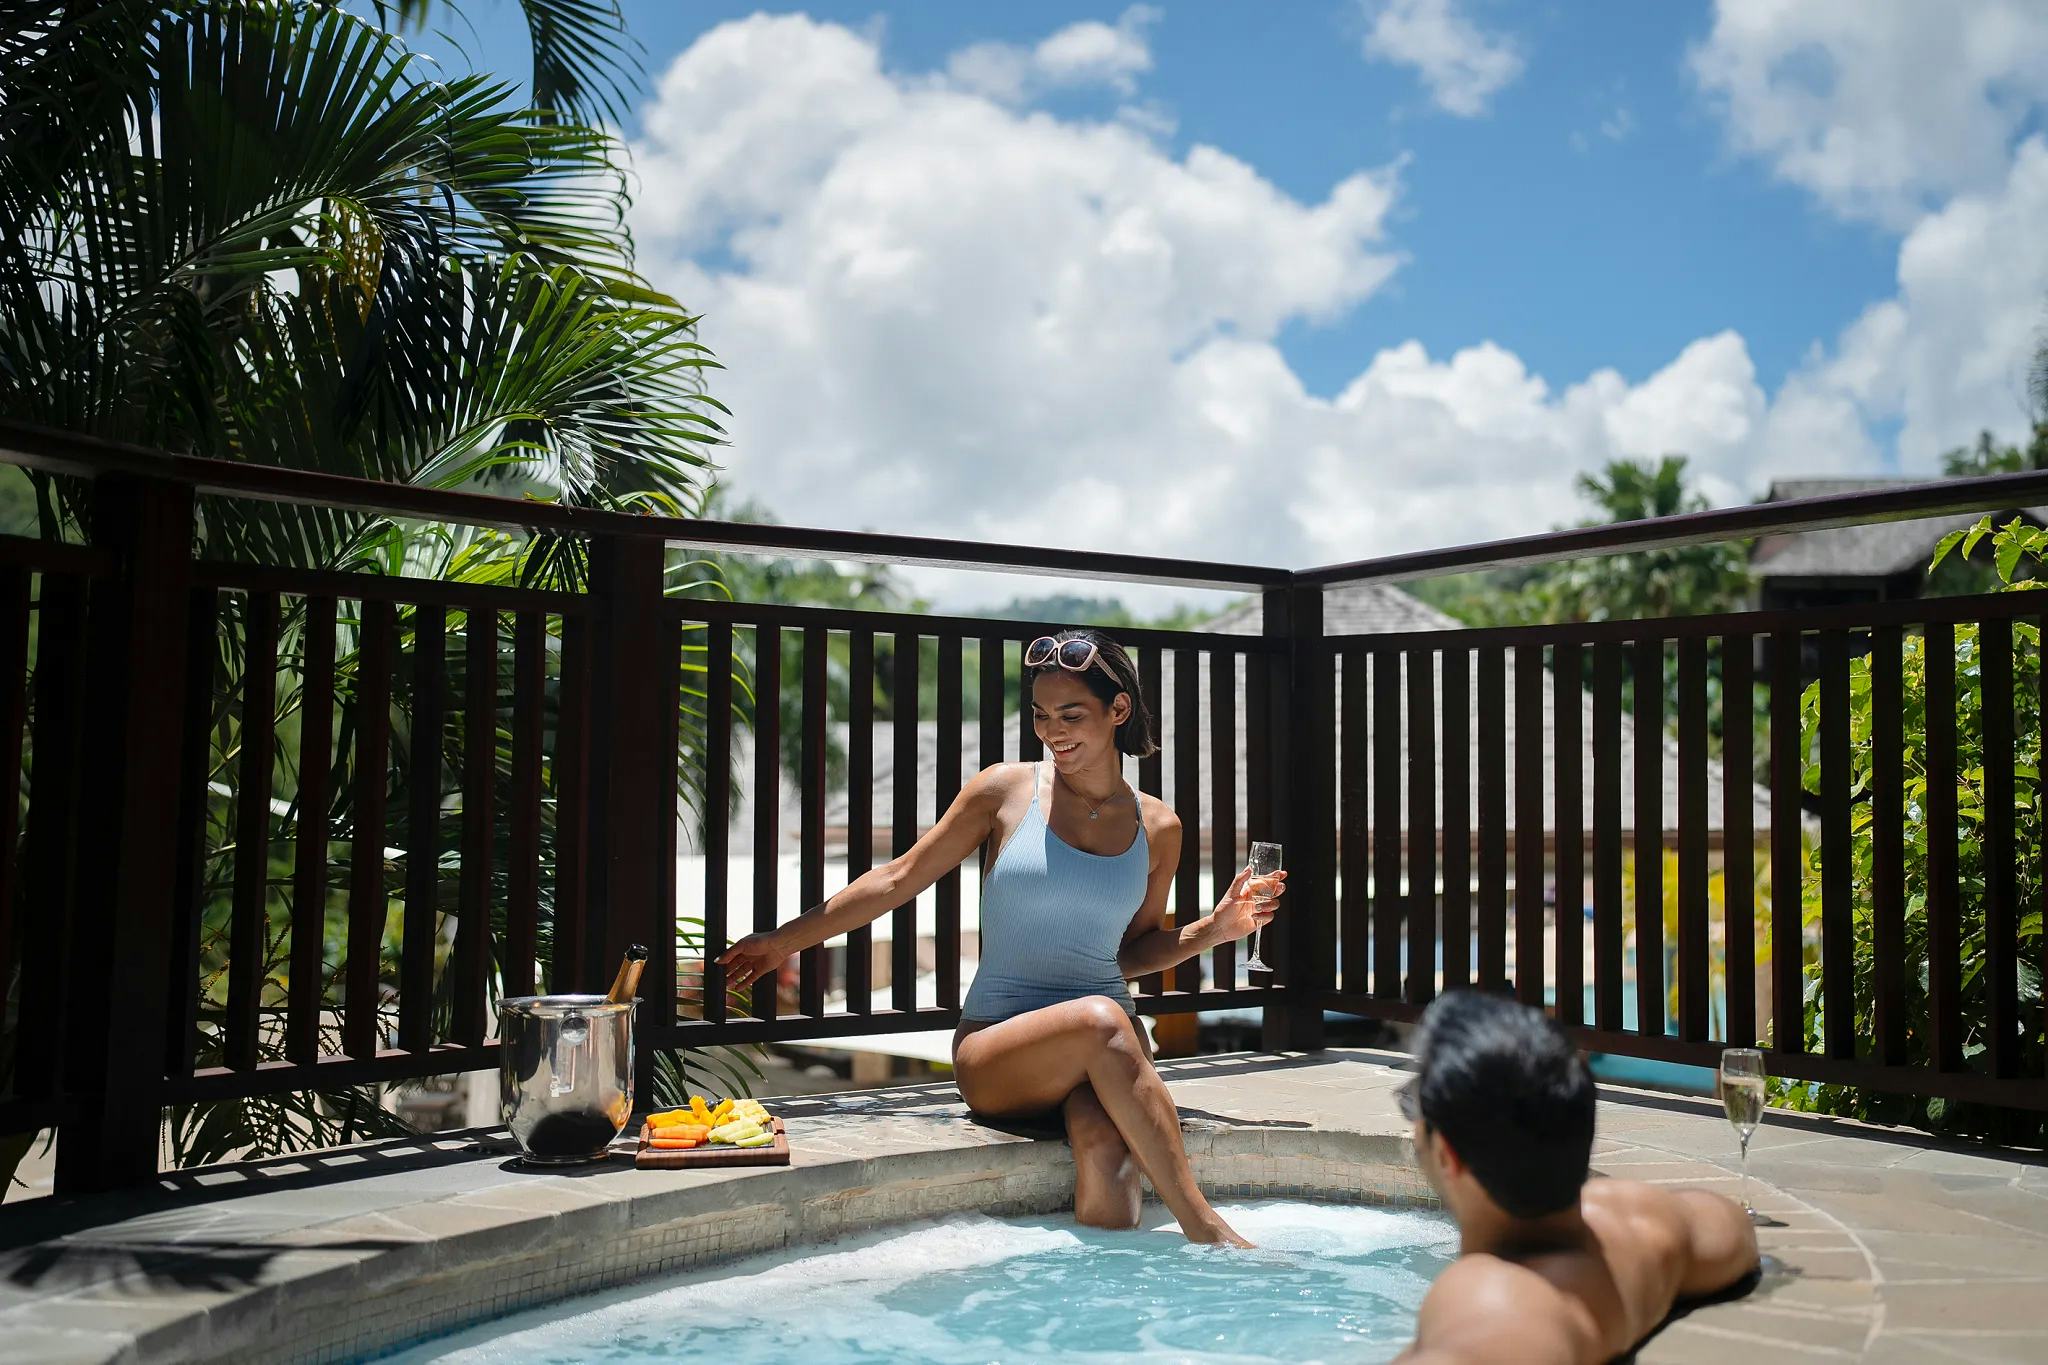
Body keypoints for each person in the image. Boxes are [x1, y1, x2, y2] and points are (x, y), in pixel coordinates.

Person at [718, 628, 1281, 1246]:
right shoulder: (1004, 792)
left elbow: (1133, 953)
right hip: (999, 1052)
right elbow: (898, 878)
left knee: (1107, 1154)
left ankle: (1104, 1311)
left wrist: (1215, 929)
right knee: (1102, 1020)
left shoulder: (1160, 826)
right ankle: (1208, 1232)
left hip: (1103, 1057)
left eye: (1072, 715)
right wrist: (784, 940)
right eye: (1041, 715)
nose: (1052, 732)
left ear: (1118, 710)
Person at [1397, 992, 1760, 1363]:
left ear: (1446, 1154)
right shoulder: (1641, 1224)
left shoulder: (1492, 1299)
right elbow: (1732, 1226)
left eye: (1414, 1105)